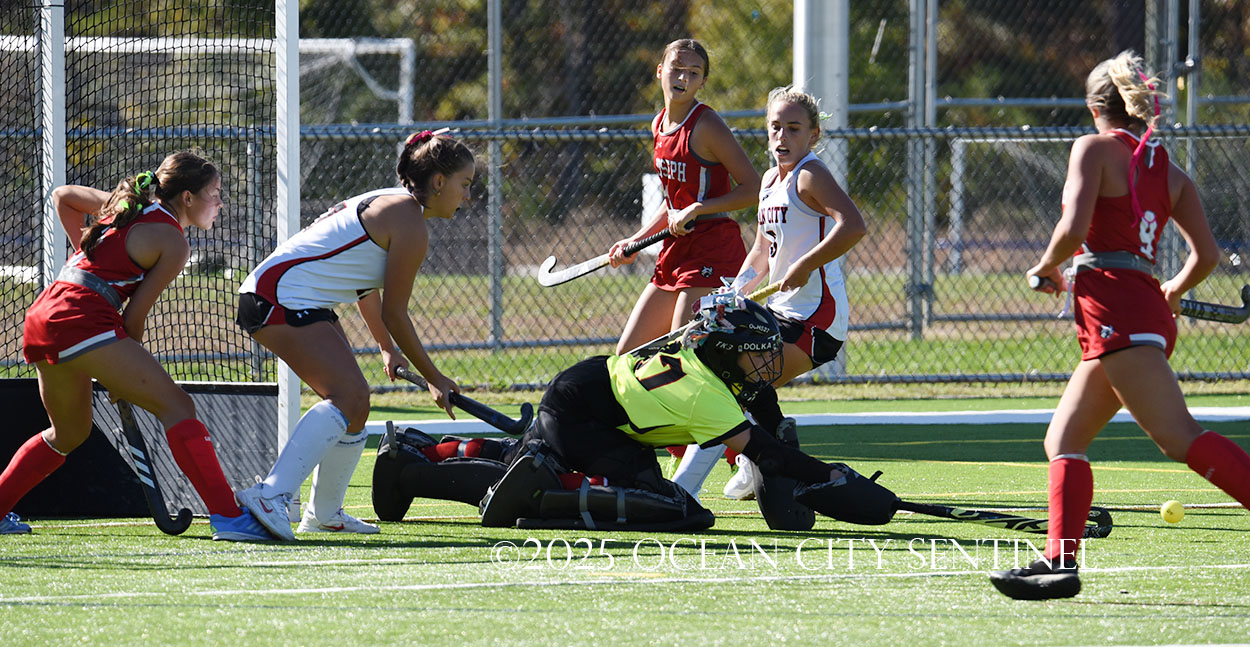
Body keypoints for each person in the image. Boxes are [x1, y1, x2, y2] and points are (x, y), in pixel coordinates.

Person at [989, 51, 1250, 600]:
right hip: (1135, 307)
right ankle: (1059, 562)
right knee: (1065, 439)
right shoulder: (1170, 170)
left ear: (1094, 108)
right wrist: (1172, 290)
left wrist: (1046, 266)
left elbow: (1074, 227)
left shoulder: (1093, 147)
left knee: (1178, 437)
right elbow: (1205, 256)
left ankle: (1060, 560)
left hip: (1116, 309)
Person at [373, 295, 899, 532]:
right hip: (586, 414)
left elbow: (764, 410)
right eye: (754, 354)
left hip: (582, 392)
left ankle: (418, 454)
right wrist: (835, 477)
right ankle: (415, 473)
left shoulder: (700, 355)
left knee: (528, 456)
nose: (765, 364)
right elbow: (767, 455)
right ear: (726, 352)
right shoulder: (707, 395)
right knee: (673, 508)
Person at [0, 152, 275, 541]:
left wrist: (84, 256)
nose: (220, 203)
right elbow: (133, 318)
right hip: (81, 319)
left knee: (69, 432)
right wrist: (122, 375)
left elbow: (63, 196)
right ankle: (230, 518)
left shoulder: (127, 206)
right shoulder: (174, 242)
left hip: (43, 317)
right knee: (178, 407)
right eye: (215, 193)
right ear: (187, 198)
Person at [233, 131, 474, 540]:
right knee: (349, 396)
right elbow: (395, 313)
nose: (467, 196)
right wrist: (434, 377)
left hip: (287, 295)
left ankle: (325, 513)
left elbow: (364, 286)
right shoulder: (410, 223)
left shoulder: (394, 205)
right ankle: (270, 495)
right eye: (464, 184)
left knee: (356, 406)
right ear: (438, 181)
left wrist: (386, 348)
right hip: (278, 296)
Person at [677, 86, 868, 503]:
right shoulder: (768, 180)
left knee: (731, 385)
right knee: (720, 369)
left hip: (815, 320)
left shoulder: (810, 175)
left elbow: (853, 225)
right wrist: (735, 291)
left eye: (794, 128)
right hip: (778, 312)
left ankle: (687, 488)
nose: (782, 136)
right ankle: (761, 456)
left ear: (814, 134)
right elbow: (762, 250)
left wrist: (806, 264)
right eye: (775, 127)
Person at [605, 38, 760, 499]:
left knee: (682, 360)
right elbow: (672, 207)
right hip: (675, 253)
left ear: (702, 81)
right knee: (626, 361)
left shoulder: (706, 124)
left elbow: (752, 188)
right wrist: (634, 241)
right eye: (677, 68)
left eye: (694, 72)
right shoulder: (659, 124)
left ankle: (745, 455)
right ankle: (674, 452)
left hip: (713, 252)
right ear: (660, 71)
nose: (683, 77)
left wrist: (700, 208)